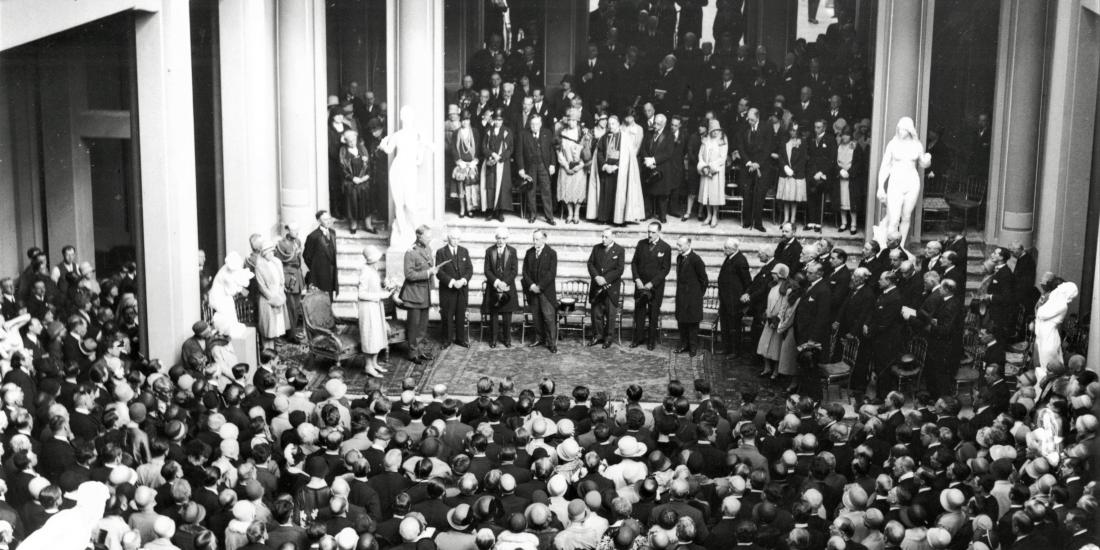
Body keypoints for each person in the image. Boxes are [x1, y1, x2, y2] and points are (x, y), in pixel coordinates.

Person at [876, 117, 931, 246]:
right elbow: (885, 166)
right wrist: (880, 187)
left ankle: (900, 247)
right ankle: (888, 247)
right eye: (899, 129)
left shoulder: (917, 145)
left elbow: (923, 163)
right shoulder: (893, 144)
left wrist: (928, 159)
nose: (901, 132)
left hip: (912, 182)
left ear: (910, 130)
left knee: (906, 216)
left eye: (904, 129)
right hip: (896, 182)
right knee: (894, 219)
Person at [630, 222, 672, 351]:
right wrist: (637, 279)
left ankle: (651, 341)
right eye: (648, 231)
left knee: (654, 314)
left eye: (653, 232)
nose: (650, 234)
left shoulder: (665, 247)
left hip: (655, 287)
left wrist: (652, 283)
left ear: (659, 232)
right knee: (640, 312)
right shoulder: (641, 244)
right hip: (640, 285)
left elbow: (665, 269)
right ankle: (638, 338)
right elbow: (634, 263)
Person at [401, 225, 438, 365]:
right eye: (427, 236)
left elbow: (431, 272)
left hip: (425, 294)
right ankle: (412, 353)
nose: (430, 239)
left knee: (423, 326)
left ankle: (420, 350)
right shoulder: (411, 252)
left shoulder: (428, 249)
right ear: (419, 236)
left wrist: (433, 291)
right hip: (414, 295)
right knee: (413, 326)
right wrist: (428, 273)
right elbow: (409, 275)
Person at [792, 262, 830, 397]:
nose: (807, 275)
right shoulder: (811, 286)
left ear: (819, 274)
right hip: (803, 333)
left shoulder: (823, 290)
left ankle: (813, 397)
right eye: (807, 272)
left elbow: (822, 317)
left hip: (812, 337)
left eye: (810, 273)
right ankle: (804, 393)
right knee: (804, 366)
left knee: (811, 368)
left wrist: (812, 338)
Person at [734, 108, 774, 232]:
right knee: (747, 193)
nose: (749, 121)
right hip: (748, 166)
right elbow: (740, 145)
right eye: (748, 119)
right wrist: (748, 162)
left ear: (757, 117)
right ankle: (747, 221)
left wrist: (758, 163)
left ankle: (758, 222)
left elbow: (768, 147)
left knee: (759, 194)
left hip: (762, 167)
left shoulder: (766, 127)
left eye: (752, 119)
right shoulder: (745, 127)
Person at [865, 271, 905, 394]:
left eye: (881, 279)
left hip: (887, 340)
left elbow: (885, 322)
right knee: (879, 367)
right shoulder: (885, 294)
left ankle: (882, 397)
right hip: (880, 338)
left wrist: (870, 330)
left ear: (888, 281)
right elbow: (875, 313)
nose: (879, 281)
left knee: (884, 369)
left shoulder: (895, 297)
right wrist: (867, 325)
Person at [435, 228, 474, 350]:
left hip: (461, 290)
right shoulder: (441, 252)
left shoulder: (464, 251)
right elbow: (439, 272)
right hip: (448, 290)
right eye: (453, 238)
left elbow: (469, 269)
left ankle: (460, 339)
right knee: (447, 315)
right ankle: (447, 340)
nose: (455, 241)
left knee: (460, 314)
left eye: (458, 239)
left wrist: (463, 281)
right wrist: (452, 282)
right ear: (448, 238)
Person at [357, 246, 392, 378]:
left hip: (375, 307)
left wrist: (385, 287)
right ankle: (368, 366)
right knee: (369, 335)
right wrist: (380, 296)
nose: (378, 261)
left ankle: (375, 363)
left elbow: (374, 287)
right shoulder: (365, 271)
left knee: (377, 334)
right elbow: (361, 294)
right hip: (367, 309)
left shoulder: (373, 269)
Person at [587, 229, 625, 349]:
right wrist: (597, 277)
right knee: (596, 313)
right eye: (602, 236)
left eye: (606, 237)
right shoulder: (596, 248)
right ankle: (597, 336)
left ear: (613, 237)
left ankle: (608, 338)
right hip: (597, 287)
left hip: (611, 288)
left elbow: (619, 269)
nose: (603, 239)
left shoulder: (620, 250)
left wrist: (605, 279)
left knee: (610, 314)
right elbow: (590, 264)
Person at [522, 230, 558, 353]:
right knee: (536, 316)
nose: (534, 242)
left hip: (546, 292)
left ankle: (552, 343)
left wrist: (540, 287)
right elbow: (524, 272)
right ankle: (539, 338)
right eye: (533, 239)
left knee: (548, 318)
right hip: (532, 291)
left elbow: (551, 274)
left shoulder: (552, 253)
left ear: (544, 239)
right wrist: (531, 285)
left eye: (537, 239)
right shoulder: (529, 253)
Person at [1033, 281, 1078, 381]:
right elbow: (1037, 311)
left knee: (1048, 368)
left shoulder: (1062, 305)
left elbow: (1041, 314)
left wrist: (1041, 306)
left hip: (1049, 337)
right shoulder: (1053, 302)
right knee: (1042, 366)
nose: (1056, 290)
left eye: (1060, 289)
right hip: (1043, 335)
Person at [484, 226, 519, 349]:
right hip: (493, 287)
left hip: (508, 288)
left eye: (503, 238)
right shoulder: (489, 251)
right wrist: (497, 282)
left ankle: (507, 339)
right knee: (494, 315)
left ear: (507, 239)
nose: (501, 241)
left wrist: (505, 283)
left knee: (507, 316)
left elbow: (514, 271)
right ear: (495, 238)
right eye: (499, 238)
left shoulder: (512, 251)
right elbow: (487, 270)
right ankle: (493, 339)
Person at [673, 237, 708, 358]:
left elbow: (704, 280)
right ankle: (684, 344)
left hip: (693, 298)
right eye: (677, 245)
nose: (678, 248)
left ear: (688, 245)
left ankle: (693, 347)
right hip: (681, 296)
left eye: (680, 245)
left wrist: (697, 295)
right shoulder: (679, 257)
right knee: (681, 321)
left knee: (693, 323)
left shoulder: (696, 259)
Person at [717, 238, 752, 356]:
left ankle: (735, 351)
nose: (724, 249)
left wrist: (745, 295)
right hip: (725, 299)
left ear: (734, 249)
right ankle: (726, 348)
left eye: (726, 248)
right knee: (726, 325)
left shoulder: (740, 261)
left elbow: (747, 281)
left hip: (734, 301)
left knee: (734, 327)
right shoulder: (730, 257)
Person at [479, 109, 515, 222]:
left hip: (502, 164)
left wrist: (501, 157)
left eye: (500, 120)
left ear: (502, 120)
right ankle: (490, 211)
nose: (498, 122)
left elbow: (510, 148)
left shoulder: (507, 132)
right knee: (490, 186)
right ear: (493, 120)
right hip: (490, 163)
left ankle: (500, 212)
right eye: (496, 119)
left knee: (501, 187)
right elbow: (483, 147)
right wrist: (491, 154)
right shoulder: (488, 131)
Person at [253, 238, 288, 350]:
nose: (272, 253)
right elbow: (261, 287)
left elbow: (282, 281)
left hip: (279, 296)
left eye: (273, 251)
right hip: (267, 300)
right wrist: (273, 298)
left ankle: (275, 351)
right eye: (269, 252)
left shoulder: (277, 262)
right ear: (264, 253)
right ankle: (268, 352)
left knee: (277, 327)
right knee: (268, 328)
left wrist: (280, 294)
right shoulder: (259, 266)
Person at [640, 114, 674, 223]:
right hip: (648, 166)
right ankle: (648, 213)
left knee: (662, 194)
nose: (655, 125)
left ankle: (662, 215)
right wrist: (647, 160)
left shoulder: (669, 135)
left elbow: (668, 153)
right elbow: (643, 148)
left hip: (662, 168)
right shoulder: (649, 132)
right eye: (655, 123)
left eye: (658, 124)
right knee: (648, 192)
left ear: (664, 124)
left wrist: (654, 160)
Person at [274, 223, 304, 342]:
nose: (297, 232)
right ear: (288, 231)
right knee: (291, 307)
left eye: (297, 230)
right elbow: (278, 263)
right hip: (288, 277)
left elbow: (299, 259)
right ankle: (291, 334)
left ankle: (293, 331)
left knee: (296, 307)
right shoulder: (282, 244)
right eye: (294, 230)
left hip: (297, 275)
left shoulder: (298, 242)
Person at [557, 110, 588, 225]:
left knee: (578, 189)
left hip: (579, 167)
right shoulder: (562, 133)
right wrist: (565, 165)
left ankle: (577, 214)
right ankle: (569, 213)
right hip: (566, 166)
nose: (571, 123)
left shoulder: (583, 134)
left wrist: (580, 166)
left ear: (578, 121)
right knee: (567, 189)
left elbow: (587, 153)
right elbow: (559, 152)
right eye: (569, 120)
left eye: (574, 120)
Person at [339, 129, 372, 234]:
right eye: (349, 141)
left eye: (354, 140)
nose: (352, 142)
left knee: (366, 200)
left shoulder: (362, 148)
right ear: (346, 141)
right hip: (351, 182)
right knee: (352, 201)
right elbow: (342, 169)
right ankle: (353, 225)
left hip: (363, 180)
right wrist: (353, 178)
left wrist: (365, 177)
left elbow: (369, 165)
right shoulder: (343, 151)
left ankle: (368, 225)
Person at [696, 119, 728, 228]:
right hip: (705, 171)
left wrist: (711, 167)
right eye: (712, 130)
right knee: (707, 195)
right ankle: (708, 215)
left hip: (716, 172)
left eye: (717, 130)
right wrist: (703, 166)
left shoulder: (722, 140)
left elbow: (722, 158)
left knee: (714, 195)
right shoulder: (705, 140)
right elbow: (700, 155)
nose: (715, 132)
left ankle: (715, 216)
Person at [806, 119, 836, 233]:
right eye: (815, 127)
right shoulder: (811, 139)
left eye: (818, 127)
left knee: (819, 196)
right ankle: (811, 221)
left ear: (824, 128)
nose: (816, 129)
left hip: (823, 174)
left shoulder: (830, 140)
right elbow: (809, 157)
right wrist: (813, 172)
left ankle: (818, 222)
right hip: (812, 173)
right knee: (810, 195)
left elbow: (832, 159)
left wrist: (822, 172)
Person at [776, 123, 808, 227]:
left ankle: (793, 219)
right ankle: (786, 219)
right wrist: (785, 167)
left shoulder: (802, 142)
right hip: (786, 173)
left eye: (795, 130)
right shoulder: (784, 141)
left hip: (796, 174)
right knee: (786, 197)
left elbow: (803, 158)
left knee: (794, 198)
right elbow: (781, 156)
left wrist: (793, 171)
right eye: (791, 130)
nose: (793, 132)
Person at [451, 112, 481, 218]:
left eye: (467, 119)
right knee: (461, 188)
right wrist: (459, 161)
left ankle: (470, 208)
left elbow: (478, 147)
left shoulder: (475, 132)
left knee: (470, 187)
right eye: (463, 120)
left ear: (470, 120)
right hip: (461, 164)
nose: (465, 122)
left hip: (472, 164)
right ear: (460, 120)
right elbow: (453, 148)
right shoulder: (456, 133)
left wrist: (474, 161)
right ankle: (462, 208)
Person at [303, 210, 338, 298]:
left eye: (329, 219)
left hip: (332, 272)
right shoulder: (313, 236)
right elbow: (307, 256)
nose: (328, 221)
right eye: (325, 219)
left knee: (330, 296)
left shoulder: (333, 233)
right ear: (319, 221)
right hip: (319, 274)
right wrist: (317, 268)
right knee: (321, 298)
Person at [680, 119, 706, 222]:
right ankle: (688, 212)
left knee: (702, 191)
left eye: (703, 126)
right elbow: (690, 151)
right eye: (699, 126)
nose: (700, 128)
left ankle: (700, 213)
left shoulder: (708, 138)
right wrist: (697, 163)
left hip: (704, 169)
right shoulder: (693, 137)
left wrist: (704, 166)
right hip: (694, 167)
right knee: (691, 191)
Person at [835, 127, 858, 232]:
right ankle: (843, 223)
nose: (845, 137)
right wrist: (840, 171)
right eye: (843, 134)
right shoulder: (839, 147)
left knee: (852, 202)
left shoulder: (854, 146)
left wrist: (850, 172)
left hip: (851, 179)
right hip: (841, 178)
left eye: (847, 134)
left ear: (851, 136)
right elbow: (834, 162)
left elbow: (858, 162)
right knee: (842, 201)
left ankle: (853, 224)